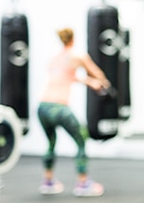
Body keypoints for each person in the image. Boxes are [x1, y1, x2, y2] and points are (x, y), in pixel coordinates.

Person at [37, 27, 109, 197]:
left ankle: (47, 181)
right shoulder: (78, 56)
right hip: (59, 108)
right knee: (81, 139)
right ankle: (83, 183)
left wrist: (89, 83)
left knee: (51, 143)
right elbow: (98, 73)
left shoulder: (54, 59)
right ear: (73, 39)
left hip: (42, 107)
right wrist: (105, 85)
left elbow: (67, 76)